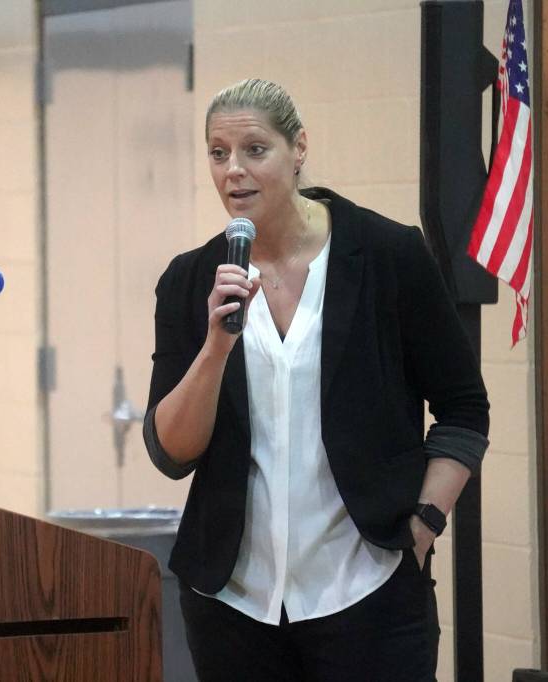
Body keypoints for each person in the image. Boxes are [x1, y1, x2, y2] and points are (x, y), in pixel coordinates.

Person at [143, 78, 489, 681]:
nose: (233, 172)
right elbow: (171, 452)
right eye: (218, 153)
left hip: (367, 590)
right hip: (232, 603)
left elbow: (464, 408)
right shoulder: (189, 279)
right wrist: (215, 348)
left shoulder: (388, 255)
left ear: (298, 147)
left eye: (255, 149)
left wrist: (425, 525)